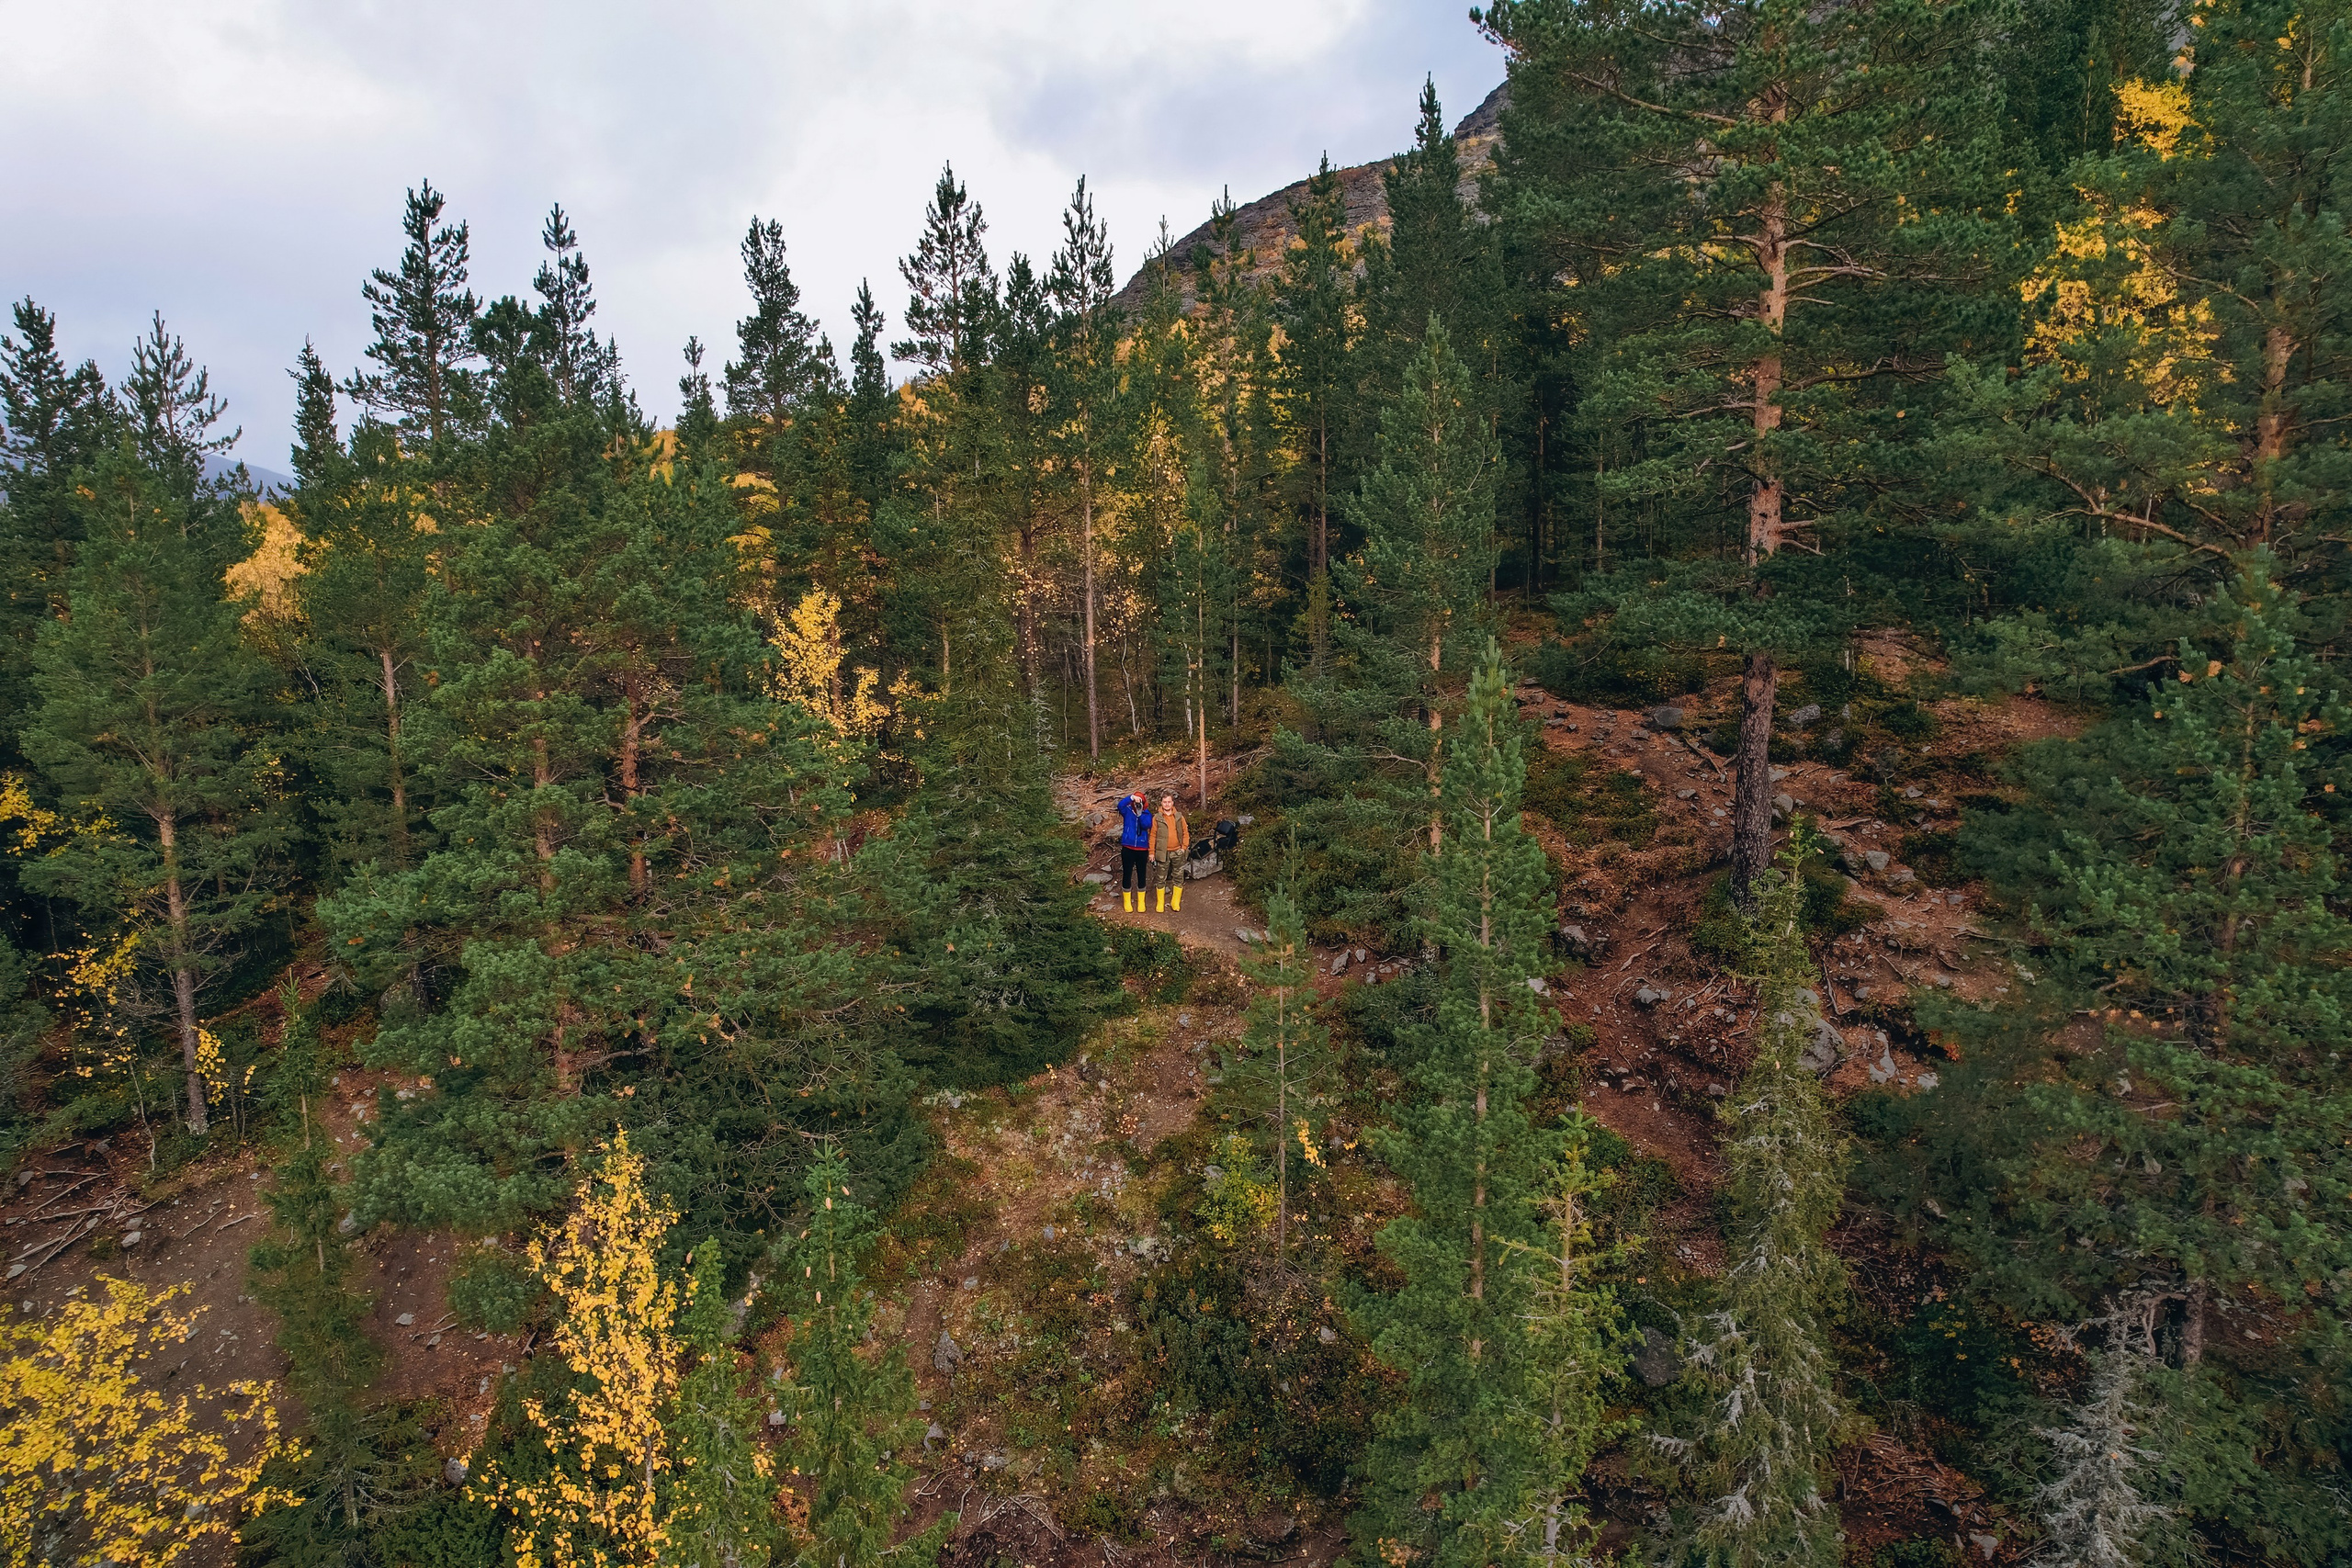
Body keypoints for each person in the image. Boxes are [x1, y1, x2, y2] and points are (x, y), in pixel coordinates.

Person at [1149, 793, 1191, 911]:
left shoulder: (1179, 817)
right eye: (1164, 802)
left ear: (1172, 803)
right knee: (1160, 878)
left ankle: (1175, 902)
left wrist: (1183, 848)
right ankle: (1160, 903)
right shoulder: (1157, 818)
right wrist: (1151, 852)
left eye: (1169, 802)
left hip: (1177, 852)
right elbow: (1153, 836)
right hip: (1163, 853)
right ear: (1161, 804)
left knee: (1178, 877)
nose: (1167, 804)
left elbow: (1185, 833)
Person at [1116, 789, 1153, 912]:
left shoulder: (1147, 814)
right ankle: (1127, 901)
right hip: (1128, 848)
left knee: (1141, 874)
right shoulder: (1127, 811)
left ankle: (1141, 902)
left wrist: (1140, 813)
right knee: (1127, 873)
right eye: (1136, 801)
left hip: (1142, 849)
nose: (1137, 804)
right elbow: (1119, 805)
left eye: (1140, 801)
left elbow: (1146, 825)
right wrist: (1131, 797)